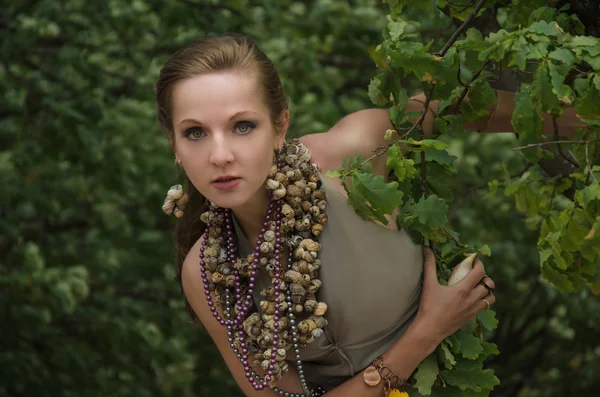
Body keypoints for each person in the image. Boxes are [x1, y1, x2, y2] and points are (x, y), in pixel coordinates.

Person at [154, 33, 580, 396]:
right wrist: (428, 331)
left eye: (243, 125)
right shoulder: (206, 273)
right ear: (174, 144)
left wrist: (584, 118)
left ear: (280, 125)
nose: (220, 155)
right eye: (195, 132)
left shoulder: (346, 158)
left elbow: (449, 105)